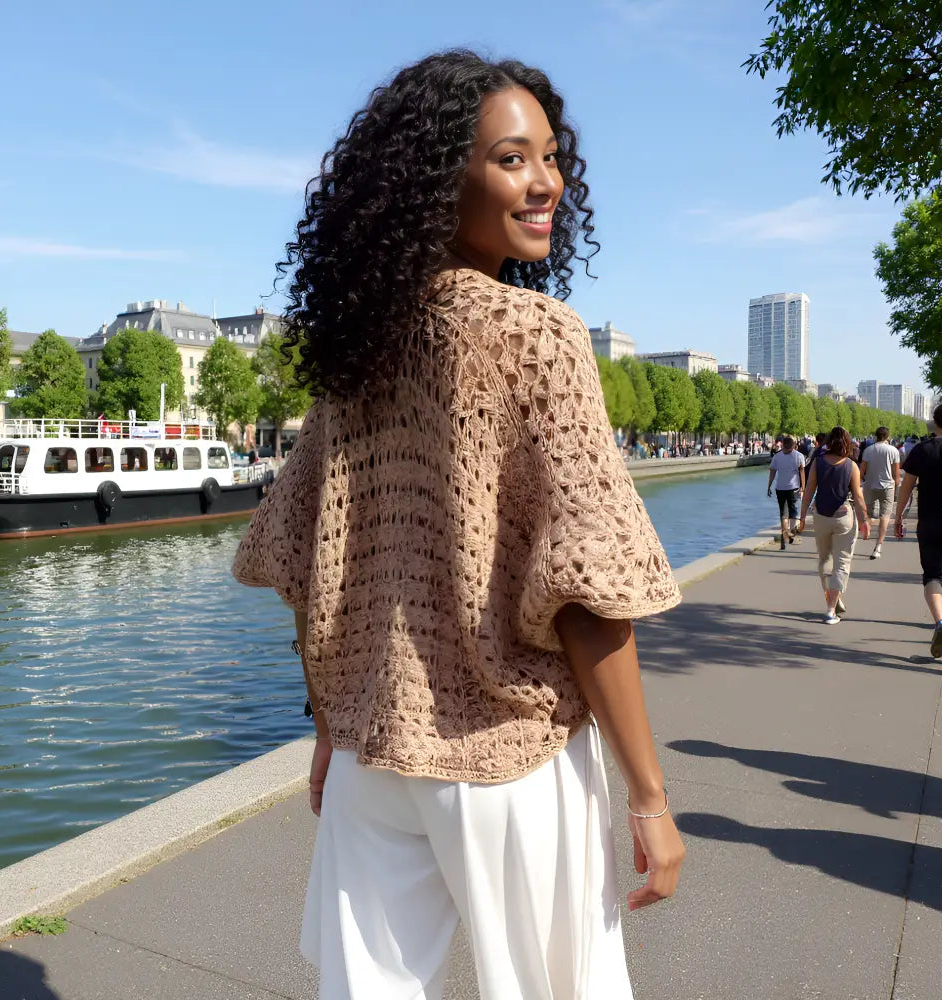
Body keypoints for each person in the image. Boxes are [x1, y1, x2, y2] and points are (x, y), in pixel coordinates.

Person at [232, 51, 685, 999]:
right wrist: (650, 796)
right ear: (441, 180)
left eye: (551, 158)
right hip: (505, 762)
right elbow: (587, 594)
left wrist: (332, 725)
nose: (547, 182)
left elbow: (311, 562)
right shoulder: (536, 335)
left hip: (371, 761)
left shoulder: (357, 358)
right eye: (513, 160)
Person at [894, 402, 942, 659]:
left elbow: (906, 487)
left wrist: (899, 515)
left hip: (929, 521)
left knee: (932, 574)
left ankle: (939, 622)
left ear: (935, 423)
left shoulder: (922, 450)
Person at [797, 426, 870, 624]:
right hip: (844, 516)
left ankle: (831, 594)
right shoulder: (851, 465)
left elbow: (809, 492)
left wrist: (801, 518)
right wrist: (864, 520)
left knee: (824, 560)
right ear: (847, 443)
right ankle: (831, 609)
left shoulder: (818, 463)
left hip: (820, 515)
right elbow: (858, 496)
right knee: (842, 562)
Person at [859, 426, 901, 560]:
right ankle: (878, 546)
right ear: (888, 437)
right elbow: (896, 473)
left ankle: (867, 527)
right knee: (885, 515)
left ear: (875, 436)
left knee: (868, 513)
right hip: (888, 486)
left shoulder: (868, 450)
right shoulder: (893, 450)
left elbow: (862, 470)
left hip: (870, 485)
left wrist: (859, 484)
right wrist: (897, 485)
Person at [767, 433, 805, 550]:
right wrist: (803, 487)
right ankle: (792, 534)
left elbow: (772, 472)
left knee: (783, 514)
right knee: (793, 511)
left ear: (783, 445)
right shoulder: (799, 456)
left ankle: (784, 539)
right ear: (793, 445)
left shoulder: (777, 457)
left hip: (780, 488)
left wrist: (768, 486)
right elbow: (802, 472)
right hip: (793, 488)